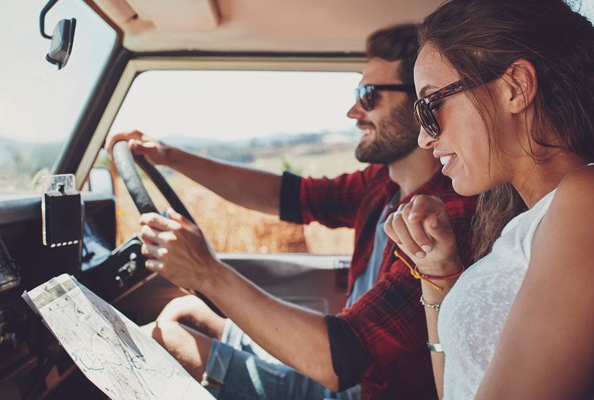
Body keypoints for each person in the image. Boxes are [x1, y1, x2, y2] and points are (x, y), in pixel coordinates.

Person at [108, 24, 477, 399]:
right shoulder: (382, 184)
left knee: (169, 338)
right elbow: (286, 195)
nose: (353, 111)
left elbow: (342, 361)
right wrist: (169, 156)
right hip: (345, 370)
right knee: (183, 310)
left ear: (419, 106)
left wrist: (206, 272)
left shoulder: (443, 218)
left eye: (368, 96)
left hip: (360, 388)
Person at [383, 0, 594, 398]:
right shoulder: (535, 220)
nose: (424, 137)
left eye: (430, 105)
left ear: (516, 87)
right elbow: (459, 386)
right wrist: (438, 271)